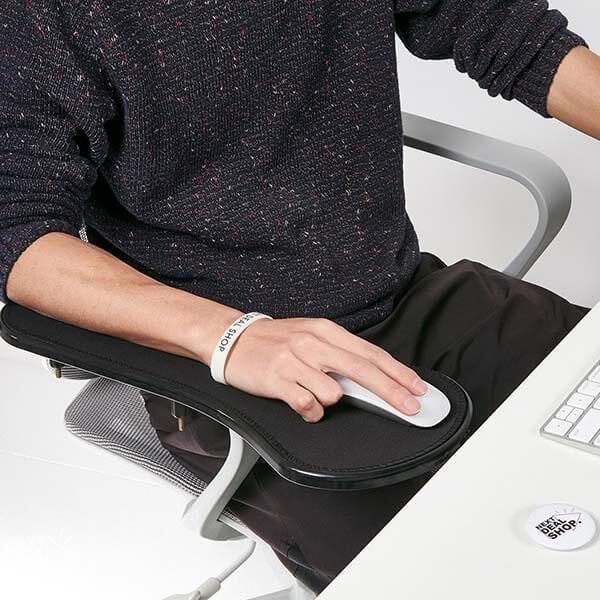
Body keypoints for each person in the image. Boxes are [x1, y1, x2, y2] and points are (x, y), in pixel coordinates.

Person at [1, 0, 598, 593]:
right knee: (472, 573)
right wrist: (230, 338)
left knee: (580, 412)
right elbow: (17, 229)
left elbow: (505, 32)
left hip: (406, 291)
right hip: (228, 369)